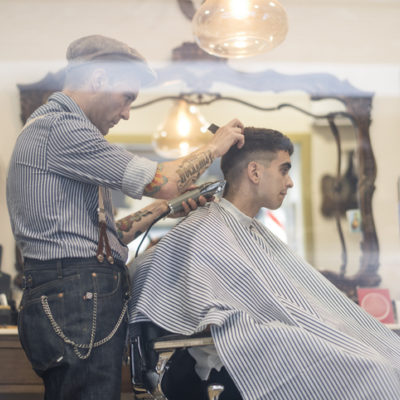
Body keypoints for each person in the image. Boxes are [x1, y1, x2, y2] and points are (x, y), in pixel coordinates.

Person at [6, 34, 244, 400]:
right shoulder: (60, 128)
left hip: (75, 293)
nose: (127, 112)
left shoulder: (61, 133)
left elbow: (111, 234)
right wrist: (214, 147)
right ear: (99, 79)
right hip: (76, 295)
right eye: (127, 97)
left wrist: (167, 208)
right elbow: (163, 181)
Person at [129, 127, 400, 400]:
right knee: (375, 371)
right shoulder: (207, 229)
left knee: (387, 356)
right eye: (284, 170)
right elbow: (153, 280)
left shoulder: (249, 230)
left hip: (276, 342)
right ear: (255, 172)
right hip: (231, 363)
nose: (290, 182)